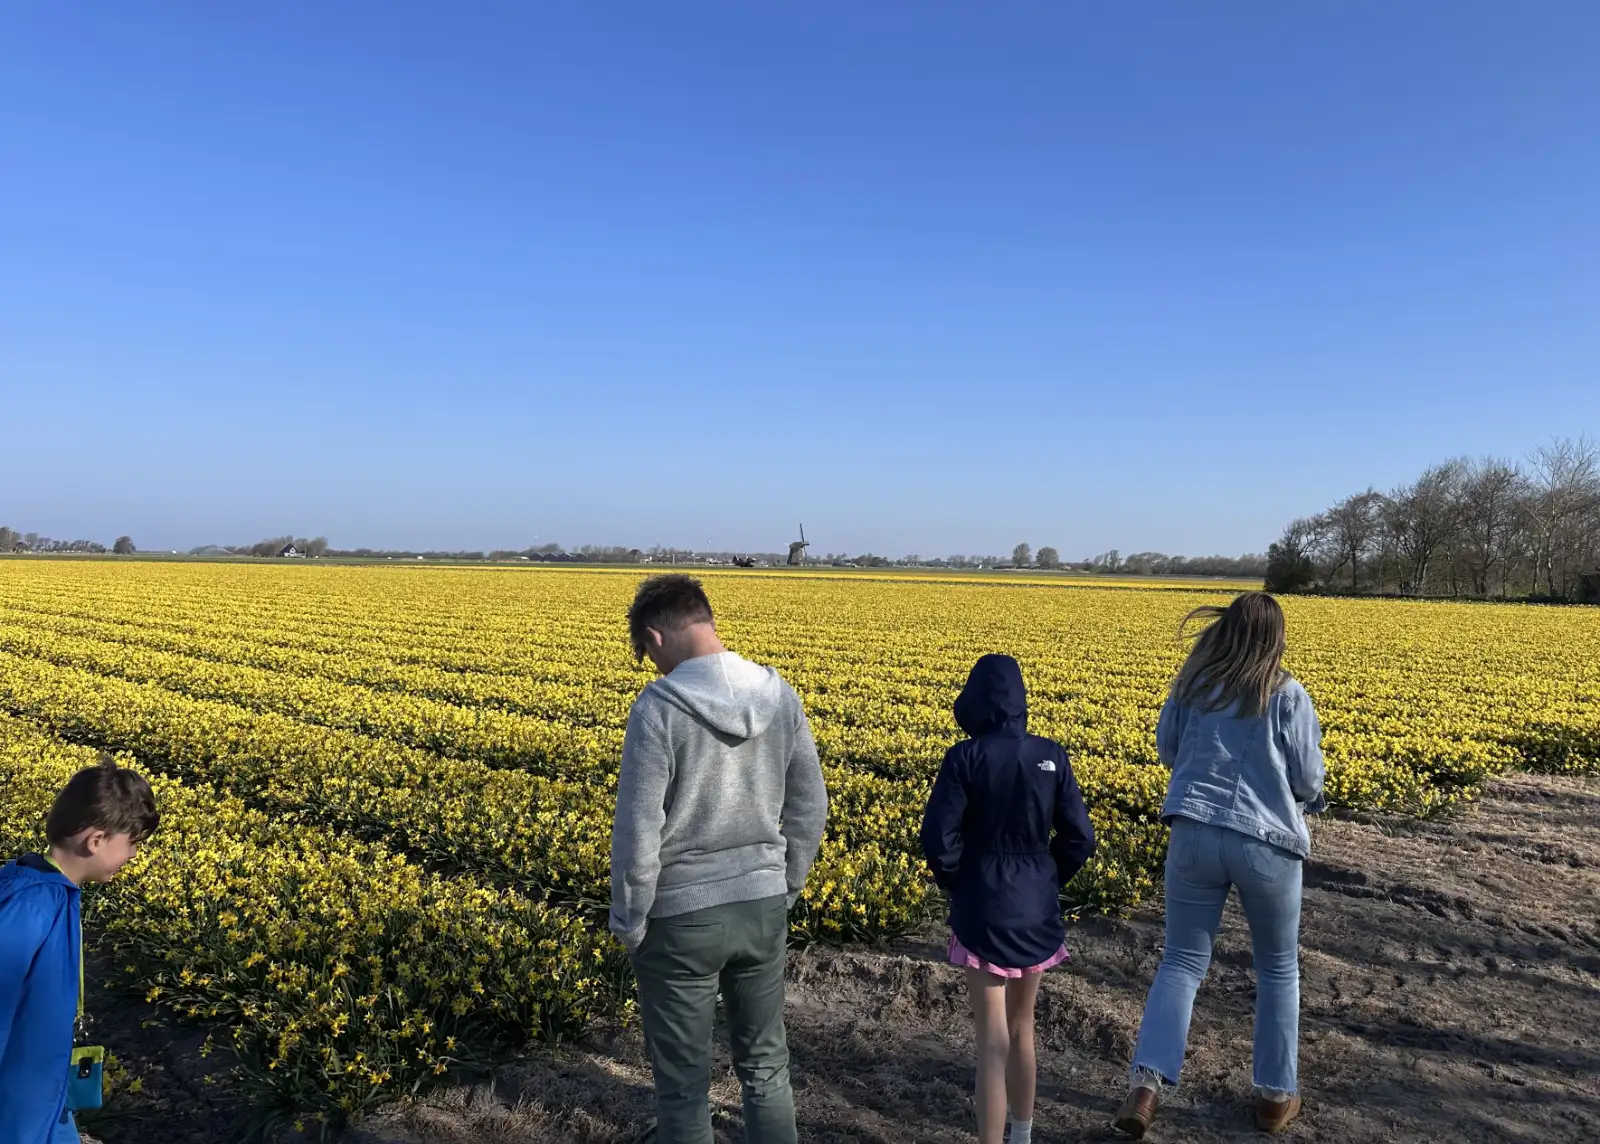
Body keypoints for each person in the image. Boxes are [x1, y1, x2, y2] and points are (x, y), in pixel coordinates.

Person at [610, 574, 828, 1144]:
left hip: (682, 917)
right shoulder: (779, 694)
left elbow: (638, 828)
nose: (652, 669)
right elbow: (811, 803)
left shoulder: (658, 708)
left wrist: (630, 920)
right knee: (765, 1066)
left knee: (683, 1085)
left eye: (646, 655)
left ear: (655, 637)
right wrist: (787, 885)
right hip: (760, 905)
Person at [1114, 592, 1326, 1139]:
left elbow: (1167, 748)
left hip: (1193, 834)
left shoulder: (1193, 685)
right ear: (1276, 638)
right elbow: (1308, 781)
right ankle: (1275, 1098)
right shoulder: (1287, 694)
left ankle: (1145, 1089)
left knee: (1181, 962)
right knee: (1278, 968)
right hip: (1267, 845)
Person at [921, 654, 1097, 1144]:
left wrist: (957, 880)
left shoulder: (964, 756)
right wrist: (1046, 877)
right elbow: (1080, 837)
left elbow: (938, 839)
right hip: (1036, 906)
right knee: (1023, 1030)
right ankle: (1022, 1135)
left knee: (991, 1041)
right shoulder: (1051, 754)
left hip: (983, 905)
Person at [0, 755, 160, 1144]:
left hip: (46, 1101)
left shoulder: (56, 893)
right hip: (16, 1110)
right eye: (133, 844)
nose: (134, 856)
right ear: (97, 840)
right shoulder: (32, 904)